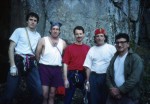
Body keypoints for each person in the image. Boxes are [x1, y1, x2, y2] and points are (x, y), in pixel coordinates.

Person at [0, 12, 43, 104]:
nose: (32, 22)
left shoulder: (38, 35)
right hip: (18, 60)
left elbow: (38, 52)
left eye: (35, 20)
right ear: (27, 21)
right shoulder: (19, 31)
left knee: (38, 91)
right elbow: (11, 48)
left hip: (31, 62)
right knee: (9, 93)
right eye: (31, 19)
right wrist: (12, 65)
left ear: (37, 23)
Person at [106, 33, 144, 104]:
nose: (119, 45)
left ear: (128, 44)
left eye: (122, 42)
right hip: (113, 95)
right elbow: (108, 74)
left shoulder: (135, 59)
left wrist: (119, 90)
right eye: (117, 42)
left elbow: (134, 79)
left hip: (128, 96)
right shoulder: (114, 58)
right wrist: (112, 89)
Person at [36, 21, 67, 104]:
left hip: (56, 69)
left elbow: (64, 57)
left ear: (59, 31)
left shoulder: (63, 43)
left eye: (57, 29)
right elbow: (37, 54)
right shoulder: (43, 40)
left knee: (52, 94)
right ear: (50, 30)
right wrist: (40, 64)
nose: (55, 31)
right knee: (44, 94)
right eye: (53, 29)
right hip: (44, 68)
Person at [83, 28, 116, 104]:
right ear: (95, 38)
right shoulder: (92, 49)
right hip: (94, 77)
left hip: (106, 77)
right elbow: (88, 66)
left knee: (106, 99)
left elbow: (117, 64)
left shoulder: (111, 48)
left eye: (101, 36)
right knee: (93, 98)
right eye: (97, 36)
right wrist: (87, 81)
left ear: (104, 37)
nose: (99, 38)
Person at [63, 26, 90, 104]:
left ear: (83, 34)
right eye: (77, 34)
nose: (79, 36)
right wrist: (65, 79)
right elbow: (65, 64)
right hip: (72, 74)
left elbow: (89, 65)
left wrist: (88, 80)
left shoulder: (88, 48)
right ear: (74, 35)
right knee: (68, 98)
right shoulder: (69, 48)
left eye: (80, 34)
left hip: (84, 74)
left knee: (88, 96)